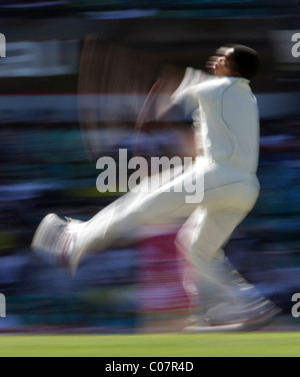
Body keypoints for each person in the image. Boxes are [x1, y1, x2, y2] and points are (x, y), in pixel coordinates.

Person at [32, 44, 281, 331]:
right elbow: (200, 139)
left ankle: (72, 243)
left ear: (235, 67)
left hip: (216, 176)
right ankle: (242, 306)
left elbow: (170, 89)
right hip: (245, 188)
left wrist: (138, 95)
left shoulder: (218, 86)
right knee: (196, 247)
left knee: (138, 202)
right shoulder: (244, 98)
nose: (215, 59)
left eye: (223, 57)